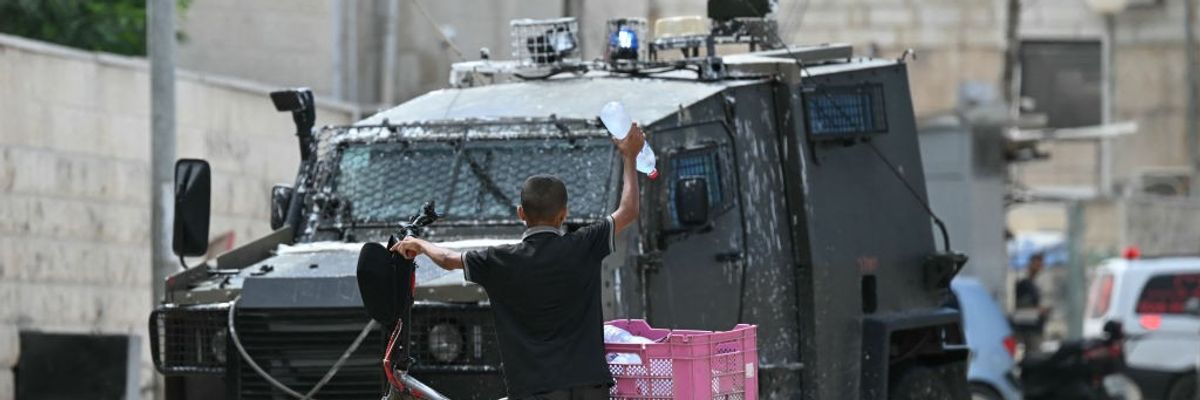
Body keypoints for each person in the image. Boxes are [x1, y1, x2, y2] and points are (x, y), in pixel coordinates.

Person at [392, 124, 646, 400]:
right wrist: (629, 157)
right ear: (564, 214)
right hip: (590, 387)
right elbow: (629, 210)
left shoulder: (499, 260)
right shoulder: (585, 244)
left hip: (535, 390)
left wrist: (418, 244)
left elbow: (448, 259)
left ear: (520, 213)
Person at [1013, 252, 1048, 354]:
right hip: (1028, 327)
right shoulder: (1024, 283)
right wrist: (1038, 310)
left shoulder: (1034, 284)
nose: (1039, 268)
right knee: (1033, 354)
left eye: (1040, 265)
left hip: (1034, 326)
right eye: (1037, 264)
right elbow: (1022, 306)